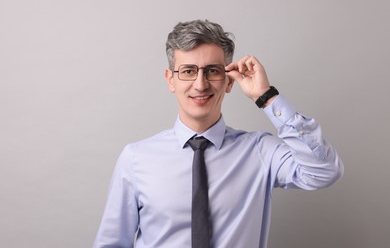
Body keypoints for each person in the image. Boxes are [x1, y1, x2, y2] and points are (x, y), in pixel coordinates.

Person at [93, 19, 343, 248]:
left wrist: (266, 97)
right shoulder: (136, 159)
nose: (200, 84)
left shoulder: (259, 152)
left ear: (230, 81)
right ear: (171, 80)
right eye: (188, 71)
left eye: (212, 71)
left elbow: (324, 171)